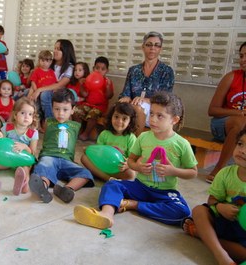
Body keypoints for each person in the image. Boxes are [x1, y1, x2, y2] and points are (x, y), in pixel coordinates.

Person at [74, 92, 197, 229]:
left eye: (159, 116)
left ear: (174, 120)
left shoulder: (182, 144)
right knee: (112, 185)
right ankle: (106, 214)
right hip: (140, 186)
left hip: (165, 192)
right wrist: (138, 167)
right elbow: (131, 161)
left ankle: (132, 204)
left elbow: (193, 172)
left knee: (183, 212)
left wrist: (173, 171)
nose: (153, 119)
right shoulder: (144, 137)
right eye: (151, 114)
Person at [182, 128, 246, 265]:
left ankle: (202, 234)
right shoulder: (225, 173)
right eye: (240, 144)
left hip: (243, 233)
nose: (243, 150)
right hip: (223, 221)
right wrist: (220, 206)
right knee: (199, 210)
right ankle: (221, 255)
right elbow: (212, 200)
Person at [29, 88, 94, 203]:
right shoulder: (48, 122)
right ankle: (43, 187)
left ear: (73, 110)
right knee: (43, 168)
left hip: (67, 161)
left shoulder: (76, 125)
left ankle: (67, 189)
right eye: (57, 109)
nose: (61, 113)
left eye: (65, 109)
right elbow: (34, 124)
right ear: (52, 109)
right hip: (49, 157)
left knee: (86, 173)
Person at [118, 31, 174, 136]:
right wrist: (125, 97)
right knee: (122, 107)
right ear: (143, 47)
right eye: (149, 45)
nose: (152, 48)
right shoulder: (134, 70)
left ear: (160, 49)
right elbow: (125, 92)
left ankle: (133, 146)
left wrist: (146, 100)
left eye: (157, 45)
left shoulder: (166, 71)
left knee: (139, 109)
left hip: (155, 111)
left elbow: (166, 99)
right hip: (133, 107)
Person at [0, 97, 39, 194]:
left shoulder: (33, 133)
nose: (26, 117)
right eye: (23, 113)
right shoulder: (7, 127)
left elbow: (32, 152)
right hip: (7, 158)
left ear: (33, 117)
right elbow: (1, 141)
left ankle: (24, 184)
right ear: (15, 115)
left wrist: (25, 147)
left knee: (26, 168)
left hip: (22, 160)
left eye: (30, 114)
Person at [206, 41, 246, 183]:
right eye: (241, 56)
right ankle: (218, 169)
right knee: (241, 122)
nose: (243, 60)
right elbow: (213, 110)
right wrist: (239, 113)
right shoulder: (231, 77)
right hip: (222, 126)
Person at [81, 102, 137, 181]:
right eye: (116, 117)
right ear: (111, 117)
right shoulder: (104, 134)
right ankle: (107, 178)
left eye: (124, 119)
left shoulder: (131, 138)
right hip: (102, 165)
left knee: (131, 174)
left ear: (130, 122)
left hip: (118, 169)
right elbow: (98, 152)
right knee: (84, 158)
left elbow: (133, 159)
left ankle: (99, 174)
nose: (119, 121)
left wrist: (127, 164)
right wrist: (89, 150)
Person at [29, 39, 76, 119]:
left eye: (58, 49)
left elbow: (59, 85)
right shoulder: (48, 62)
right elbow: (36, 79)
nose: (55, 51)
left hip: (56, 92)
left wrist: (39, 90)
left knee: (45, 94)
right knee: (26, 93)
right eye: (55, 48)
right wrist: (31, 93)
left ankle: (49, 120)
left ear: (65, 51)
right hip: (41, 88)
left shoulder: (69, 67)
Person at [73, 56, 114, 141]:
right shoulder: (89, 79)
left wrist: (108, 87)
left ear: (107, 70)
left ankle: (86, 133)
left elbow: (109, 96)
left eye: (103, 69)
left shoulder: (107, 82)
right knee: (76, 111)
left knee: (93, 114)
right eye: (97, 68)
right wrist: (81, 85)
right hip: (88, 104)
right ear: (93, 68)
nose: (99, 70)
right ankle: (80, 129)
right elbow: (85, 94)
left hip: (100, 107)